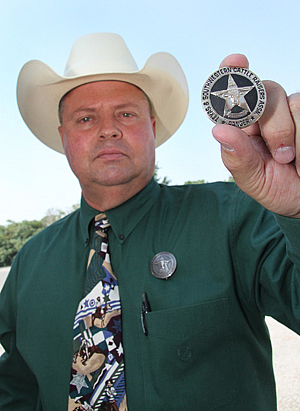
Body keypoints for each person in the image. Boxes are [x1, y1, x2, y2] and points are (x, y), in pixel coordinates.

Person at [0, 32, 299, 411]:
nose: (108, 129)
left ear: (152, 127)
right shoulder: (29, 263)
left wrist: (298, 211)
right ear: (64, 137)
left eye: (125, 113)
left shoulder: (233, 218)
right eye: (86, 118)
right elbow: (16, 390)